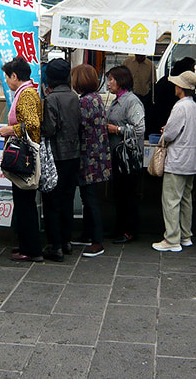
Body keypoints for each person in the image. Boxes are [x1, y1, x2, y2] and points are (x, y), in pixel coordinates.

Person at [0, 56, 44, 263]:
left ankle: (32, 249)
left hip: (25, 156)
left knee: (25, 203)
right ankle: (27, 244)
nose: (6, 81)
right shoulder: (27, 91)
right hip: (25, 154)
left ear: (15, 76)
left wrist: (10, 129)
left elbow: (33, 124)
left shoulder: (25, 94)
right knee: (23, 201)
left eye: (7, 77)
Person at [152, 70, 196, 252]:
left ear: (181, 88)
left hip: (177, 160)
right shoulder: (194, 106)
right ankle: (185, 235)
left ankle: (172, 238)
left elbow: (171, 133)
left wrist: (165, 131)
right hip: (190, 160)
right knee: (186, 199)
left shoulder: (180, 106)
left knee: (171, 199)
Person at [41, 58, 81, 262]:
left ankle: (54, 245)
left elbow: (49, 128)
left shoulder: (51, 99)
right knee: (67, 200)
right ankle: (66, 241)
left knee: (52, 202)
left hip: (55, 156)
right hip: (73, 155)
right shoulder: (74, 97)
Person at [71, 64, 111, 257]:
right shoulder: (95, 98)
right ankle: (87, 235)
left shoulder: (85, 102)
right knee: (89, 199)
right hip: (98, 155)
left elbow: (79, 127)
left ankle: (97, 241)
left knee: (90, 200)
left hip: (89, 157)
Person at [106, 65, 146, 244]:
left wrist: (117, 129)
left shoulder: (132, 101)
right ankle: (119, 228)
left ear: (121, 81)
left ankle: (129, 231)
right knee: (119, 194)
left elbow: (140, 128)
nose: (108, 83)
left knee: (128, 194)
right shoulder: (117, 100)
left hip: (127, 157)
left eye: (111, 80)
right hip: (117, 155)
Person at [151, 57, 195, 134]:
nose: (194, 71)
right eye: (192, 68)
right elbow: (169, 135)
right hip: (163, 119)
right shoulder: (183, 105)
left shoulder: (164, 80)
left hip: (159, 120)